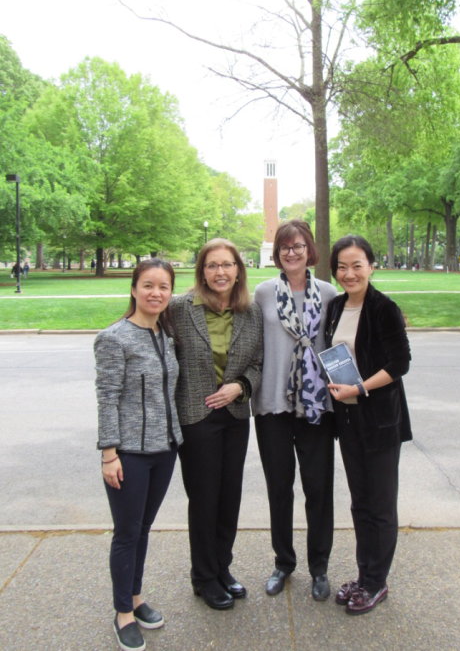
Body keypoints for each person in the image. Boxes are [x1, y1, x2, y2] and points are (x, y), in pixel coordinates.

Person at [94, 258, 183, 651]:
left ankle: (135, 597)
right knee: (127, 533)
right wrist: (109, 454)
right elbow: (107, 398)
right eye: (148, 285)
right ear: (134, 289)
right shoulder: (113, 338)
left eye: (163, 287)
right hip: (129, 453)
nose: (156, 293)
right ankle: (122, 614)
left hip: (165, 450)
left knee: (143, 529)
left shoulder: (166, 335)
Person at [171, 239, 263, 611]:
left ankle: (222, 567)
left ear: (238, 270)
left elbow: (258, 362)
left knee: (229, 497)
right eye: (212, 265)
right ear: (202, 271)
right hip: (196, 418)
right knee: (204, 498)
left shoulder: (251, 311)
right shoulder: (179, 308)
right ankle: (204, 576)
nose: (220, 272)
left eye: (227, 264)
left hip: (235, 417)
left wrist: (241, 387)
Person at [325, 235, 412, 616]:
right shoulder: (336, 306)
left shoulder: (384, 308)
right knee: (360, 501)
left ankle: (376, 582)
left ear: (371, 267)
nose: (349, 273)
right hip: (347, 418)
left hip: (379, 421)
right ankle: (364, 576)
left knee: (380, 504)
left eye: (357, 265)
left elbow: (399, 363)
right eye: (342, 266)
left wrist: (358, 388)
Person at [252, 220, 337, 601]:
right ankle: (283, 562)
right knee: (279, 489)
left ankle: (319, 567)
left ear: (309, 250)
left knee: (318, 489)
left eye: (298, 246)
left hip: (316, 406)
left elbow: (338, 344)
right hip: (272, 404)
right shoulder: (263, 293)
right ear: (278, 253)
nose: (292, 252)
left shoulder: (329, 293)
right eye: (285, 247)